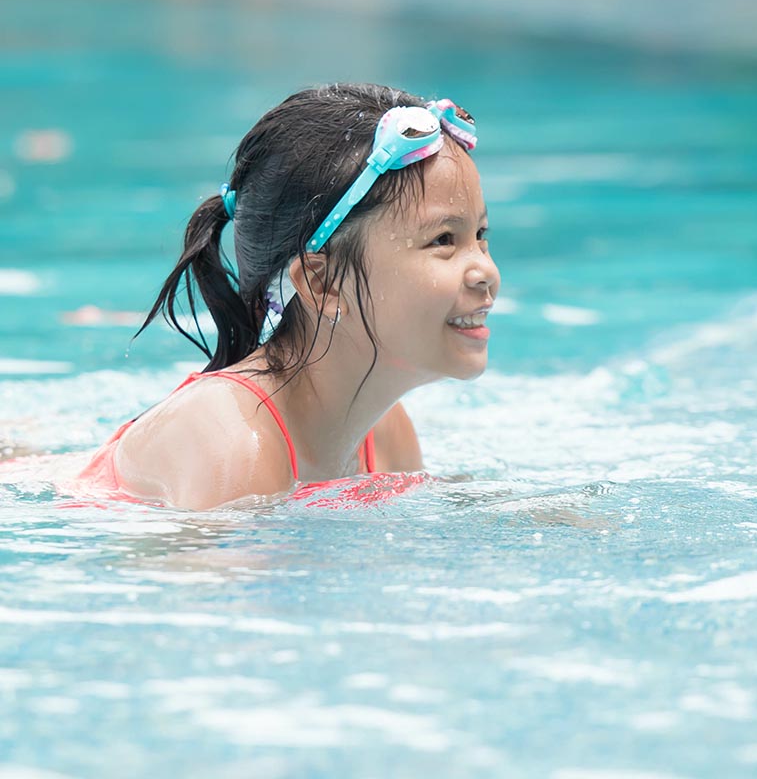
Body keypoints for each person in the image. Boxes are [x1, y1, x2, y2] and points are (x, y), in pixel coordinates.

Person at [73, 83, 499, 509]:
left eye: (479, 236)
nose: (486, 272)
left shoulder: (384, 433)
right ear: (322, 284)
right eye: (443, 239)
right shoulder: (236, 445)